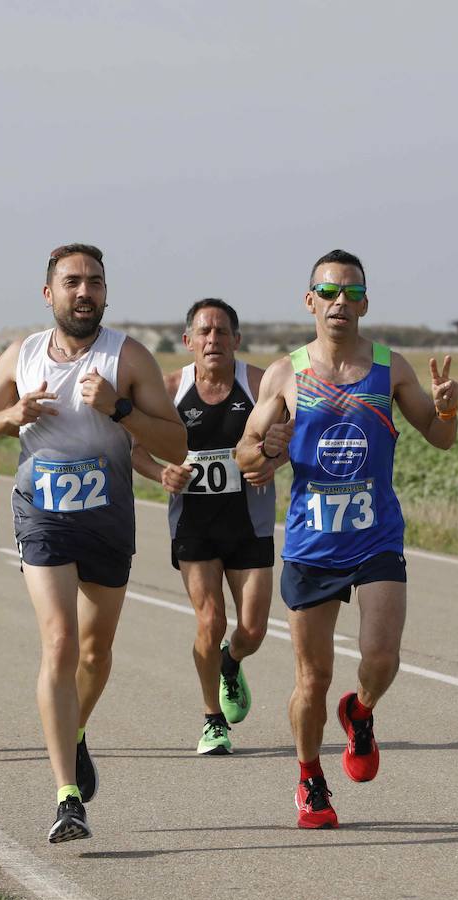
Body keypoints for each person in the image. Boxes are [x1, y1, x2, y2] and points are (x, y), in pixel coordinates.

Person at [0, 243, 187, 843]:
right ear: (48, 293)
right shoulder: (23, 355)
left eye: (95, 283)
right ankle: (66, 798)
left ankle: (75, 730)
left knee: (94, 652)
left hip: (108, 516)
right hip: (43, 513)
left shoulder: (127, 356)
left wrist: (122, 409)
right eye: (72, 282)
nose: (84, 292)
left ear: (106, 293)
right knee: (58, 640)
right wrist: (11, 418)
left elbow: (178, 445)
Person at [238, 249, 458, 829]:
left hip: (376, 537)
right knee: (311, 678)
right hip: (312, 546)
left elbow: (438, 437)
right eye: (330, 292)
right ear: (309, 300)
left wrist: (449, 410)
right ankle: (310, 778)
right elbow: (246, 452)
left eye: (353, 294)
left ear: (365, 302)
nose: (341, 303)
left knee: (381, 659)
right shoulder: (287, 374)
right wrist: (266, 450)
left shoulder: (392, 368)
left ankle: (360, 712)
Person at [131, 298, 280, 756]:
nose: (213, 339)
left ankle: (230, 664)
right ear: (188, 341)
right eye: (204, 332)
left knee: (251, 630)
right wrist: (161, 475)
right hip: (194, 524)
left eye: (221, 332)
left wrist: (275, 460)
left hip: (249, 522)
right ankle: (212, 720)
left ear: (236, 340)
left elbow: (294, 431)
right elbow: (134, 448)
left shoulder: (257, 384)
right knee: (210, 619)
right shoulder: (171, 389)